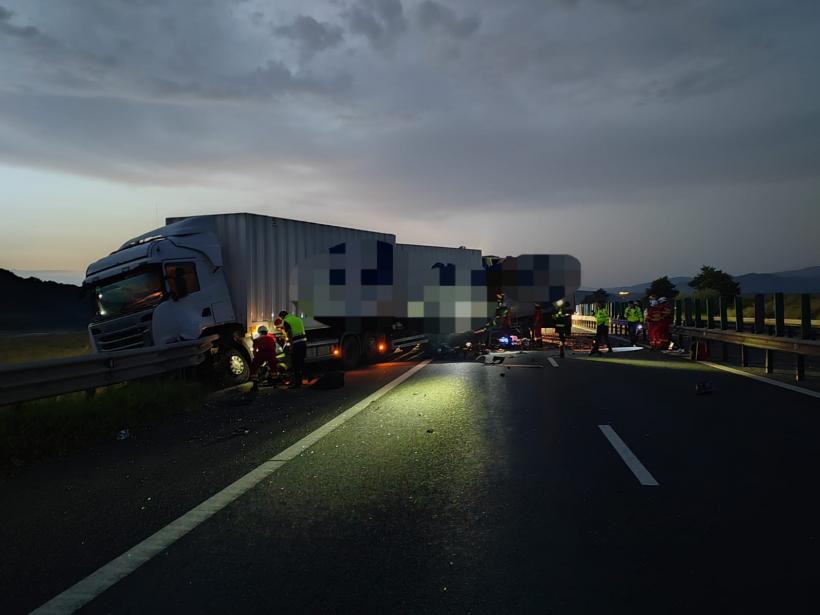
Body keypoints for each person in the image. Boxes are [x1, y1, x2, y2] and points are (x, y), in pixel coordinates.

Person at [279, 309, 307, 388]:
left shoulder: (286, 321)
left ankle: (297, 383)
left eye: (281, 318)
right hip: (303, 342)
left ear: (282, 316)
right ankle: (304, 379)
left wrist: (290, 347)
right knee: (301, 361)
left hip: (296, 344)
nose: (281, 320)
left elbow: (290, 333)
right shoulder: (297, 319)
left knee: (295, 363)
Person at [250, 325, 282, 390]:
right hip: (271, 354)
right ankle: (275, 385)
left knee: (254, 368)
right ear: (266, 332)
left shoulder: (257, 339)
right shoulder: (271, 339)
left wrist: (256, 357)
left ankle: (255, 385)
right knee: (274, 369)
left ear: (259, 332)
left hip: (261, 354)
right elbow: (274, 348)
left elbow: (254, 349)